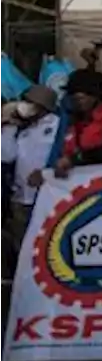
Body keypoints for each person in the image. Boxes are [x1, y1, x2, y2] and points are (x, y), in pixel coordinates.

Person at [20, 70, 102, 361]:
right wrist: (46, 174)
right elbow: (56, 155)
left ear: (96, 95)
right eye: (73, 94)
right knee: (61, 286)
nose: (76, 99)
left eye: (82, 94)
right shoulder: (71, 122)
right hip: (73, 214)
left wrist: (77, 158)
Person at [0, 86, 61, 284]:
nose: (25, 106)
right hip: (21, 197)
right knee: (21, 244)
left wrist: (47, 174)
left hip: (46, 196)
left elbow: (64, 156)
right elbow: (7, 155)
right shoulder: (22, 129)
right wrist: (8, 126)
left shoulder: (57, 126)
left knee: (47, 244)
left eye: (30, 102)